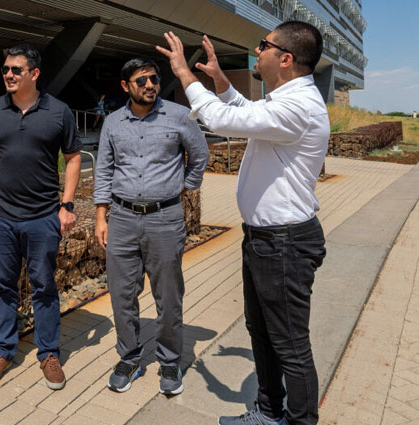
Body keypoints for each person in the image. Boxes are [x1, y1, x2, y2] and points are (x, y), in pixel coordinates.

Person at [158, 21, 329, 425]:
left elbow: (219, 120)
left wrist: (185, 74)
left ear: (285, 59)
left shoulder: (298, 106)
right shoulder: (285, 100)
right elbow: (247, 112)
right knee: (263, 332)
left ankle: (300, 421)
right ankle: (269, 413)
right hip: (266, 239)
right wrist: (220, 80)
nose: (257, 50)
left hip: (284, 242)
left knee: (289, 343)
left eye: (263, 45)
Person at [94, 57, 208, 395]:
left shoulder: (178, 116)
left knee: (169, 295)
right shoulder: (113, 123)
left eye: (154, 79)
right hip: (123, 218)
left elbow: (199, 154)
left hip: (165, 219)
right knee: (121, 293)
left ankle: (170, 361)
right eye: (141, 80)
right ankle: (129, 357)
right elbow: (103, 169)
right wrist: (101, 216)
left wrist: (184, 186)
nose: (149, 85)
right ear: (125, 86)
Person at [0, 44, 82, 390]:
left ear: (34, 74)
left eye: (16, 70)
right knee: (3, 286)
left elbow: (74, 157)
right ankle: (3, 349)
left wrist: (66, 205)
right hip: (0, 218)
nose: (8, 75)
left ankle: (48, 352)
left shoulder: (59, 111)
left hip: (41, 218)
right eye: (5, 69)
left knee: (44, 286)